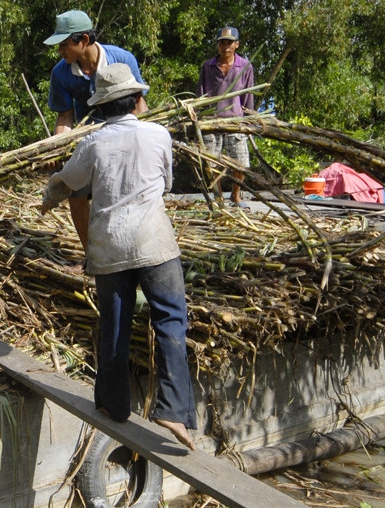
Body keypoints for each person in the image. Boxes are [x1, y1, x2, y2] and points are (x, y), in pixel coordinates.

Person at [41, 62, 197, 450]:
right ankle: (173, 410)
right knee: (171, 321)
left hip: (108, 245)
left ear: (102, 107)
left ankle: (113, 404)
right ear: (137, 100)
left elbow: (67, 183)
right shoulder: (159, 135)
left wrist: (48, 198)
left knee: (113, 325)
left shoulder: (91, 143)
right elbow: (167, 182)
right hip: (154, 242)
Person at [44, 10, 145, 258]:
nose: (61, 51)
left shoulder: (121, 60)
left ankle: (132, 253)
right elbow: (65, 118)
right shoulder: (61, 73)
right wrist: (57, 149)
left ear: (84, 41)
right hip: (89, 141)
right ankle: (93, 257)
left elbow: (139, 104)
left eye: (65, 44)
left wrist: (140, 141)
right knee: (76, 194)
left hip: (124, 133)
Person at [196, 26, 256, 202]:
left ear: (236, 44)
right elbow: (201, 94)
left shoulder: (245, 66)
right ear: (218, 45)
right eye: (222, 43)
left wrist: (249, 120)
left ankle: (235, 195)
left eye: (229, 43)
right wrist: (198, 117)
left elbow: (248, 95)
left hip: (235, 121)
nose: (226, 47)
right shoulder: (208, 67)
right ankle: (219, 197)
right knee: (211, 164)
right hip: (211, 122)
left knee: (241, 163)